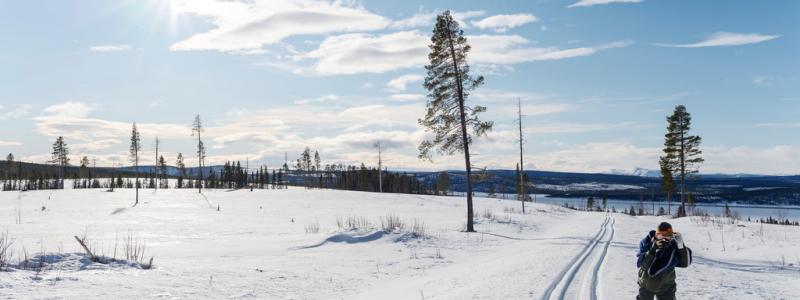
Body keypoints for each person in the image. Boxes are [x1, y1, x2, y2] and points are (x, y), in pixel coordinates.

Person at [636, 222, 692, 300]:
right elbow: (642, 265)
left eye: (668, 236)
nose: (665, 238)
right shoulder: (646, 242)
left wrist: (681, 246)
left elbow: (685, 263)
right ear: (656, 234)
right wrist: (653, 249)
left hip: (666, 286)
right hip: (646, 285)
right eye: (662, 235)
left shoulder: (673, 246)